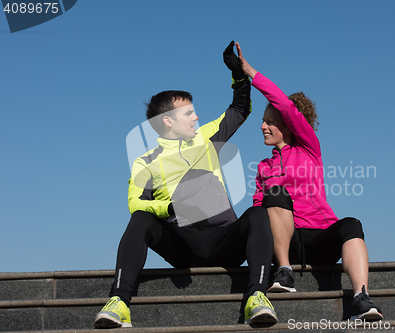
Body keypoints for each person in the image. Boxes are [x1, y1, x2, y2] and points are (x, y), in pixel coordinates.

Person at [94, 41, 277, 329]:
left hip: (224, 240)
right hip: (182, 243)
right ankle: (118, 302)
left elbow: (240, 109)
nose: (197, 117)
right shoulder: (146, 161)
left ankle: (257, 296)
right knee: (141, 219)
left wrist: (239, 76)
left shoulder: (207, 137)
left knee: (257, 214)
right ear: (168, 120)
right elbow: (135, 203)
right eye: (189, 113)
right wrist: (170, 206)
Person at [235, 42, 383, 321]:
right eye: (263, 121)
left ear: (288, 126)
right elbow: (258, 210)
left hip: (319, 234)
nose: (262, 126)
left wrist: (251, 72)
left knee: (351, 224)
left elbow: (286, 107)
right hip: (285, 246)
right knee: (273, 197)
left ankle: (361, 298)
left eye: (269, 121)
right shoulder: (264, 167)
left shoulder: (308, 148)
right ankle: (285, 272)